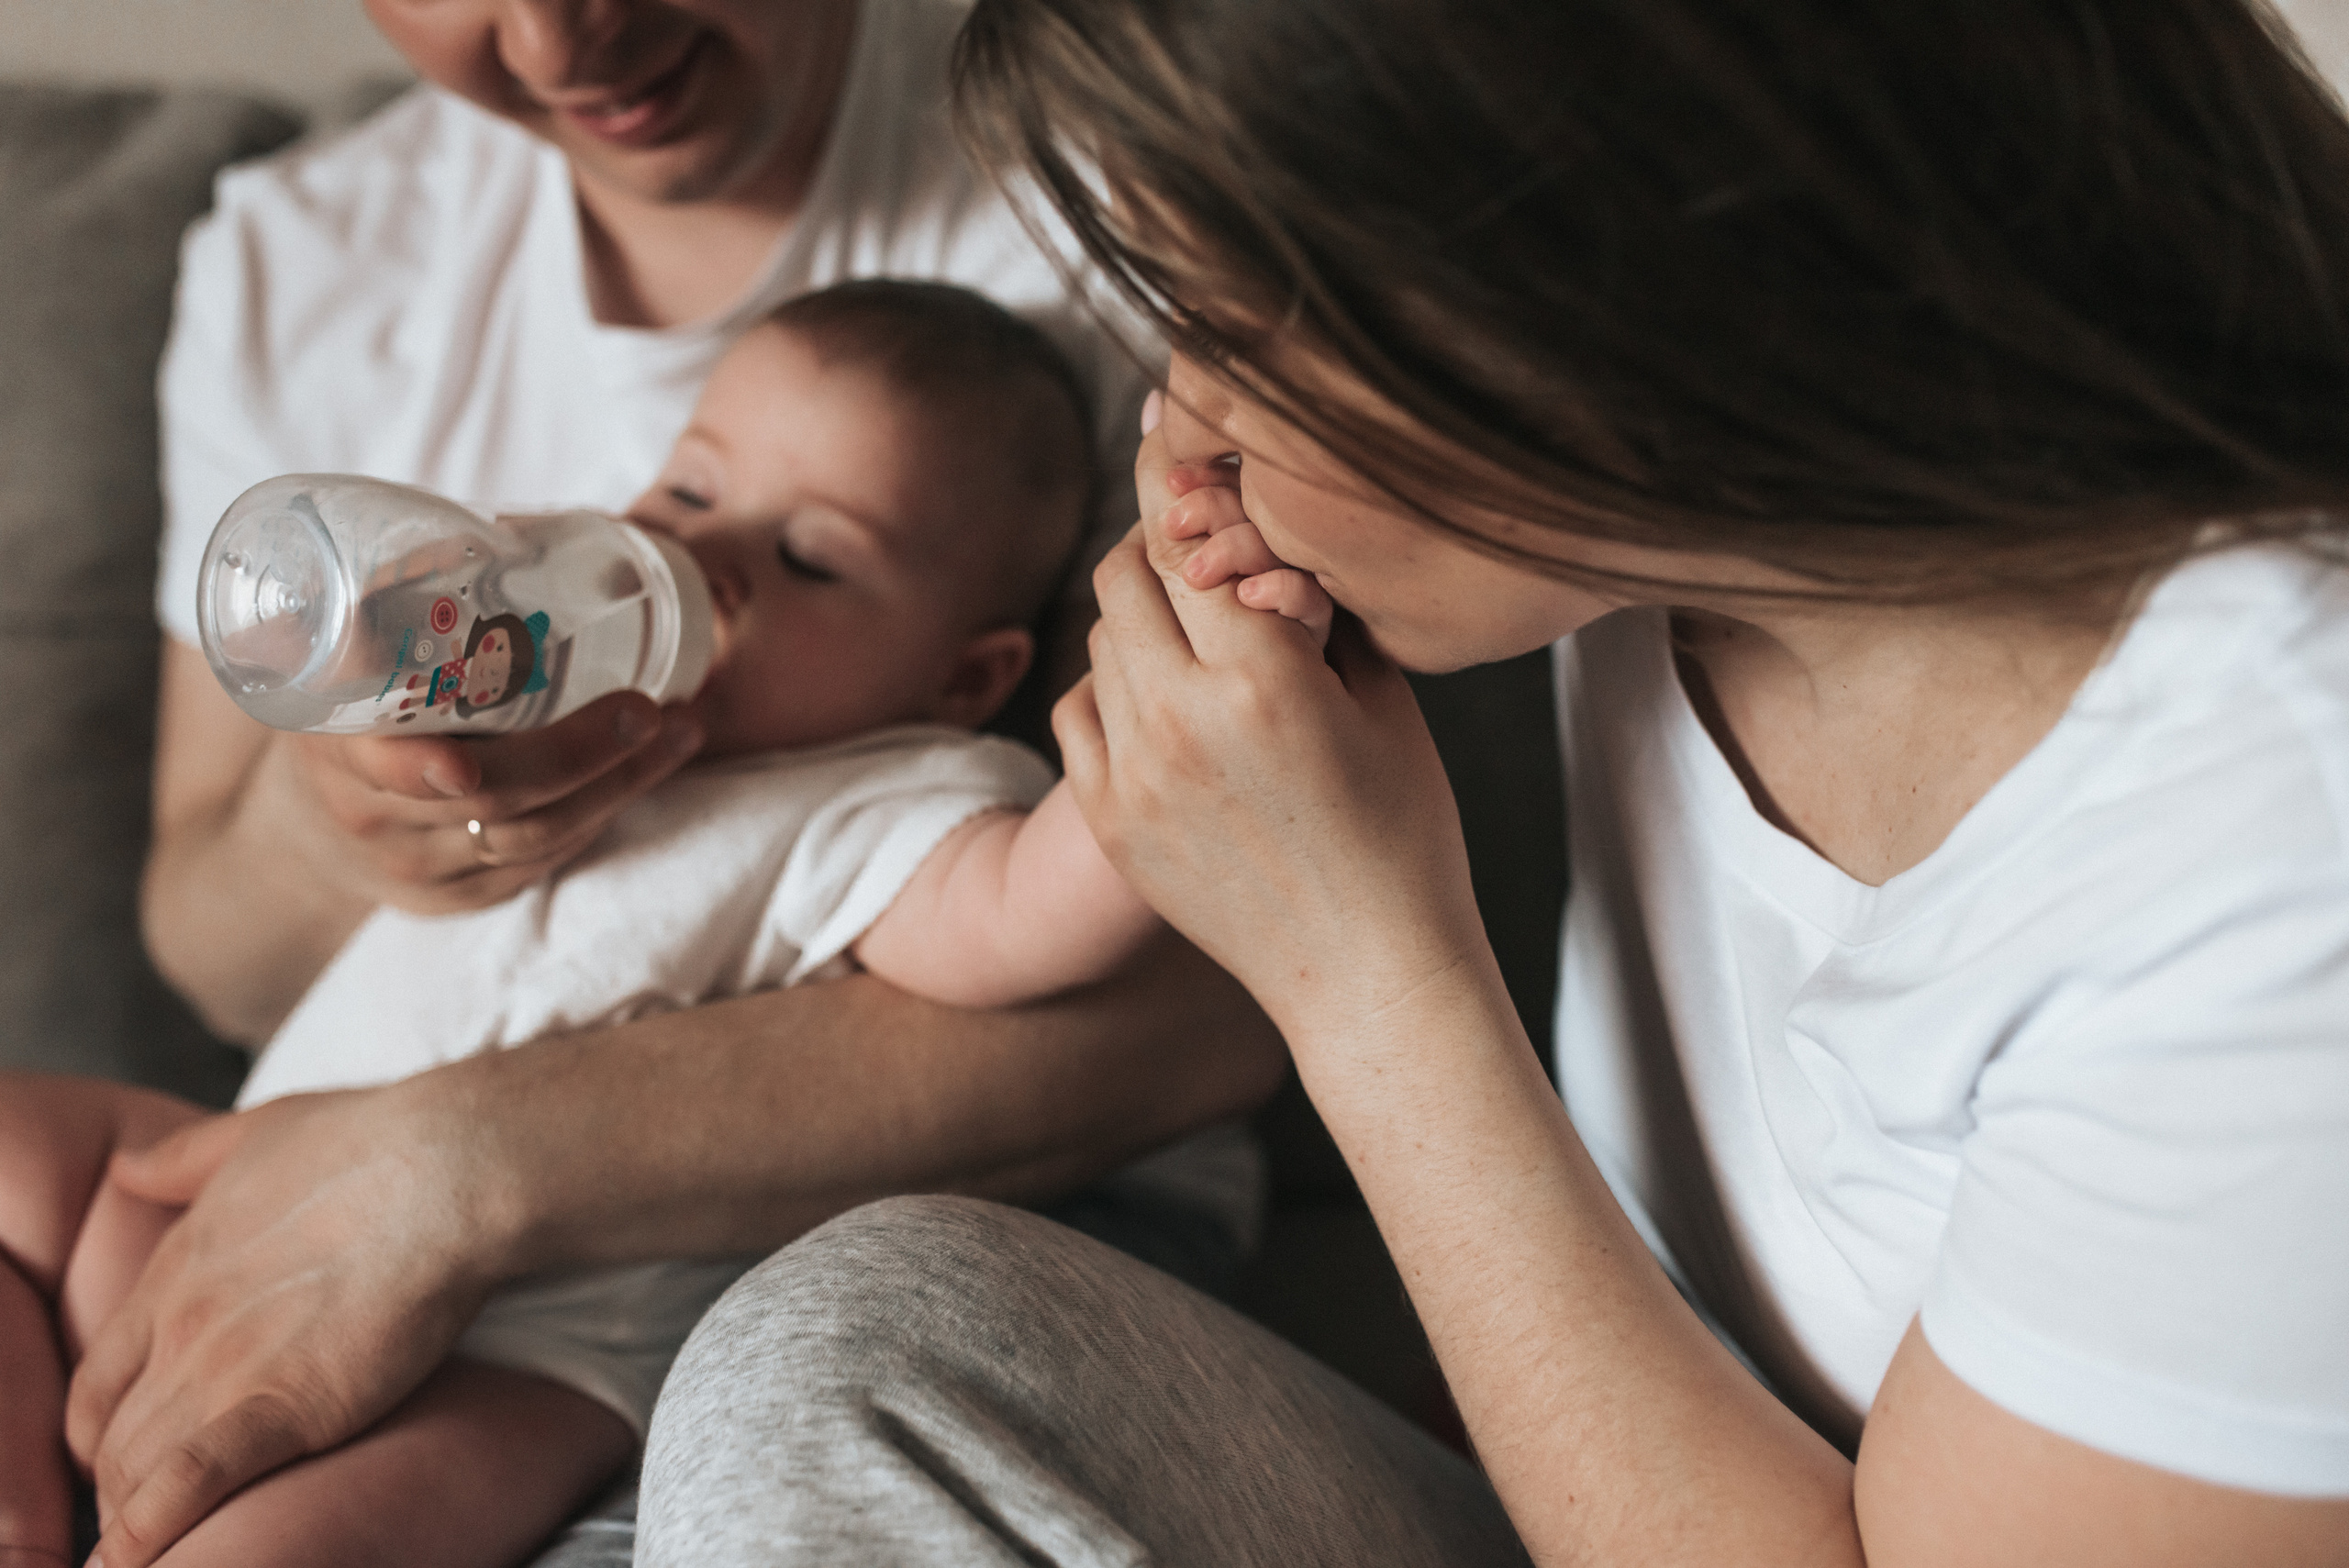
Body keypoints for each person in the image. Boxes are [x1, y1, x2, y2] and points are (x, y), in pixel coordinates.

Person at [626, 0, 2349, 1562]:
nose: (1189, 426)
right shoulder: (1678, 529)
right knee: (854, 1350)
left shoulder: (2277, 837)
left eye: (1235, 321)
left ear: (1606, 272)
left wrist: (1364, 974)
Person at [86, 2, 1283, 1565]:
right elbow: (202, 931)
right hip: (305, 1149)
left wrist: (458, 1165)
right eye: (687, 487)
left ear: (964, 672)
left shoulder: (1123, 170)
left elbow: (1228, 966)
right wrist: (340, 822)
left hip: (749, 1263)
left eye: (807, 555)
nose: (560, 38)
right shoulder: (302, 261)